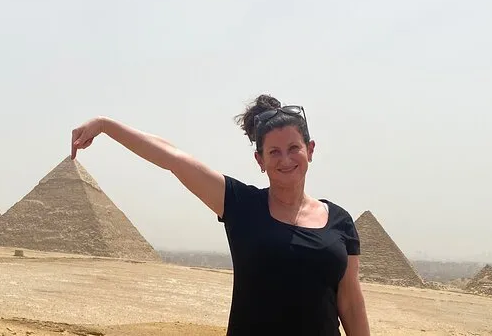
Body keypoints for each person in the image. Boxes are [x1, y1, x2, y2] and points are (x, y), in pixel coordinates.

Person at [70, 94, 370, 335]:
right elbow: (173, 158)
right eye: (274, 152)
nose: (286, 159)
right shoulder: (241, 205)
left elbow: (350, 302)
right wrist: (106, 125)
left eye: (294, 148)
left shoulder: (340, 221)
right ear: (260, 160)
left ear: (310, 150)